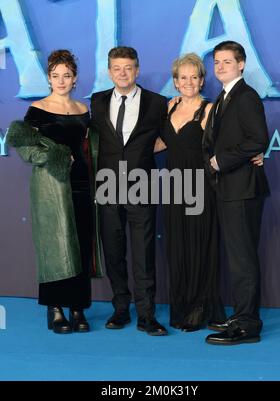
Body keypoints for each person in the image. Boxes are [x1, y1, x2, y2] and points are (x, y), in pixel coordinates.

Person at [7, 50, 103, 334]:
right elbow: (24, 146)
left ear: (74, 80)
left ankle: (78, 307)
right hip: (51, 185)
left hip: (83, 183)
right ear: (49, 79)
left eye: (67, 76)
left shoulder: (83, 111)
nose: (61, 81)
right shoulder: (37, 109)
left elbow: (91, 146)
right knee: (56, 244)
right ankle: (56, 308)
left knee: (81, 244)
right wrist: (54, 157)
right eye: (56, 76)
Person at [90, 46, 168, 336]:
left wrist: (145, 153)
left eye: (129, 67)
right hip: (107, 187)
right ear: (109, 72)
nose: (123, 73)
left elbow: (173, 135)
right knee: (114, 251)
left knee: (144, 252)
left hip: (142, 187)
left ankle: (147, 315)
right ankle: (121, 308)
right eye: (117, 68)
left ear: (137, 69)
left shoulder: (157, 103)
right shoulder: (97, 102)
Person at [203, 41, 270, 345]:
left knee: (243, 259)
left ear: (241, 64)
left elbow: (257, 140)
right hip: (229, 189)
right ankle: (242, 315)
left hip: (243, 190)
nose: (220, 66)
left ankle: (247, 325)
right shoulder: (222, 98)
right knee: (237, 258)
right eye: (217, 62)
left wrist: (220, 161)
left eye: (227, 62)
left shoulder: (246, 97)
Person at [154, 53, 226, 331]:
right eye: (182, 77)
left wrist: (254, 151)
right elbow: (160, 143)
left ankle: (201, 307)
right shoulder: (169, 108)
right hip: (173, 186)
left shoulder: (209, 110)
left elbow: (226, 143)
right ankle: (182, 306)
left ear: (201, 80)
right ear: (175, 81)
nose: (188, 82)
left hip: (200, 186)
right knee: (178, 245)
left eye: (193, 77)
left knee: (199, 244)